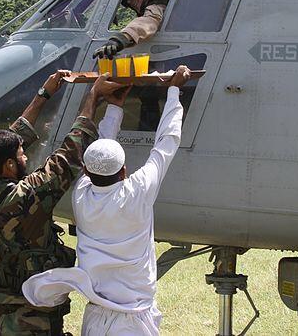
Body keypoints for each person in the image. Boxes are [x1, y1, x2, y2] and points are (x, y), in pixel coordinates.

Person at [22, 66, 192, 336]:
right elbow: (166, 141)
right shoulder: (136, 191)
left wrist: (115, 106)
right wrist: (174, 91)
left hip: (95, 319)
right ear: (124, 171)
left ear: (86, 171)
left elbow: (155, 145)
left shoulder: (81, 195)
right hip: (134, 320)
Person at [0, 70, 123, 336]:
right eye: (21, 155)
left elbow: (13, 136)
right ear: (9, 165)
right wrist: (93, 96)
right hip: (31, 318)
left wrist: (44, 93)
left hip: (1, 315)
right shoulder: (26, 197)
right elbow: (69, 156)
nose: (26, 156)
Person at [93, 0, 169, 60]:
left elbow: (149, 21)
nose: (129, 2)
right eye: (124, 0)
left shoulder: (160, 5)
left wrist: (121, 39)